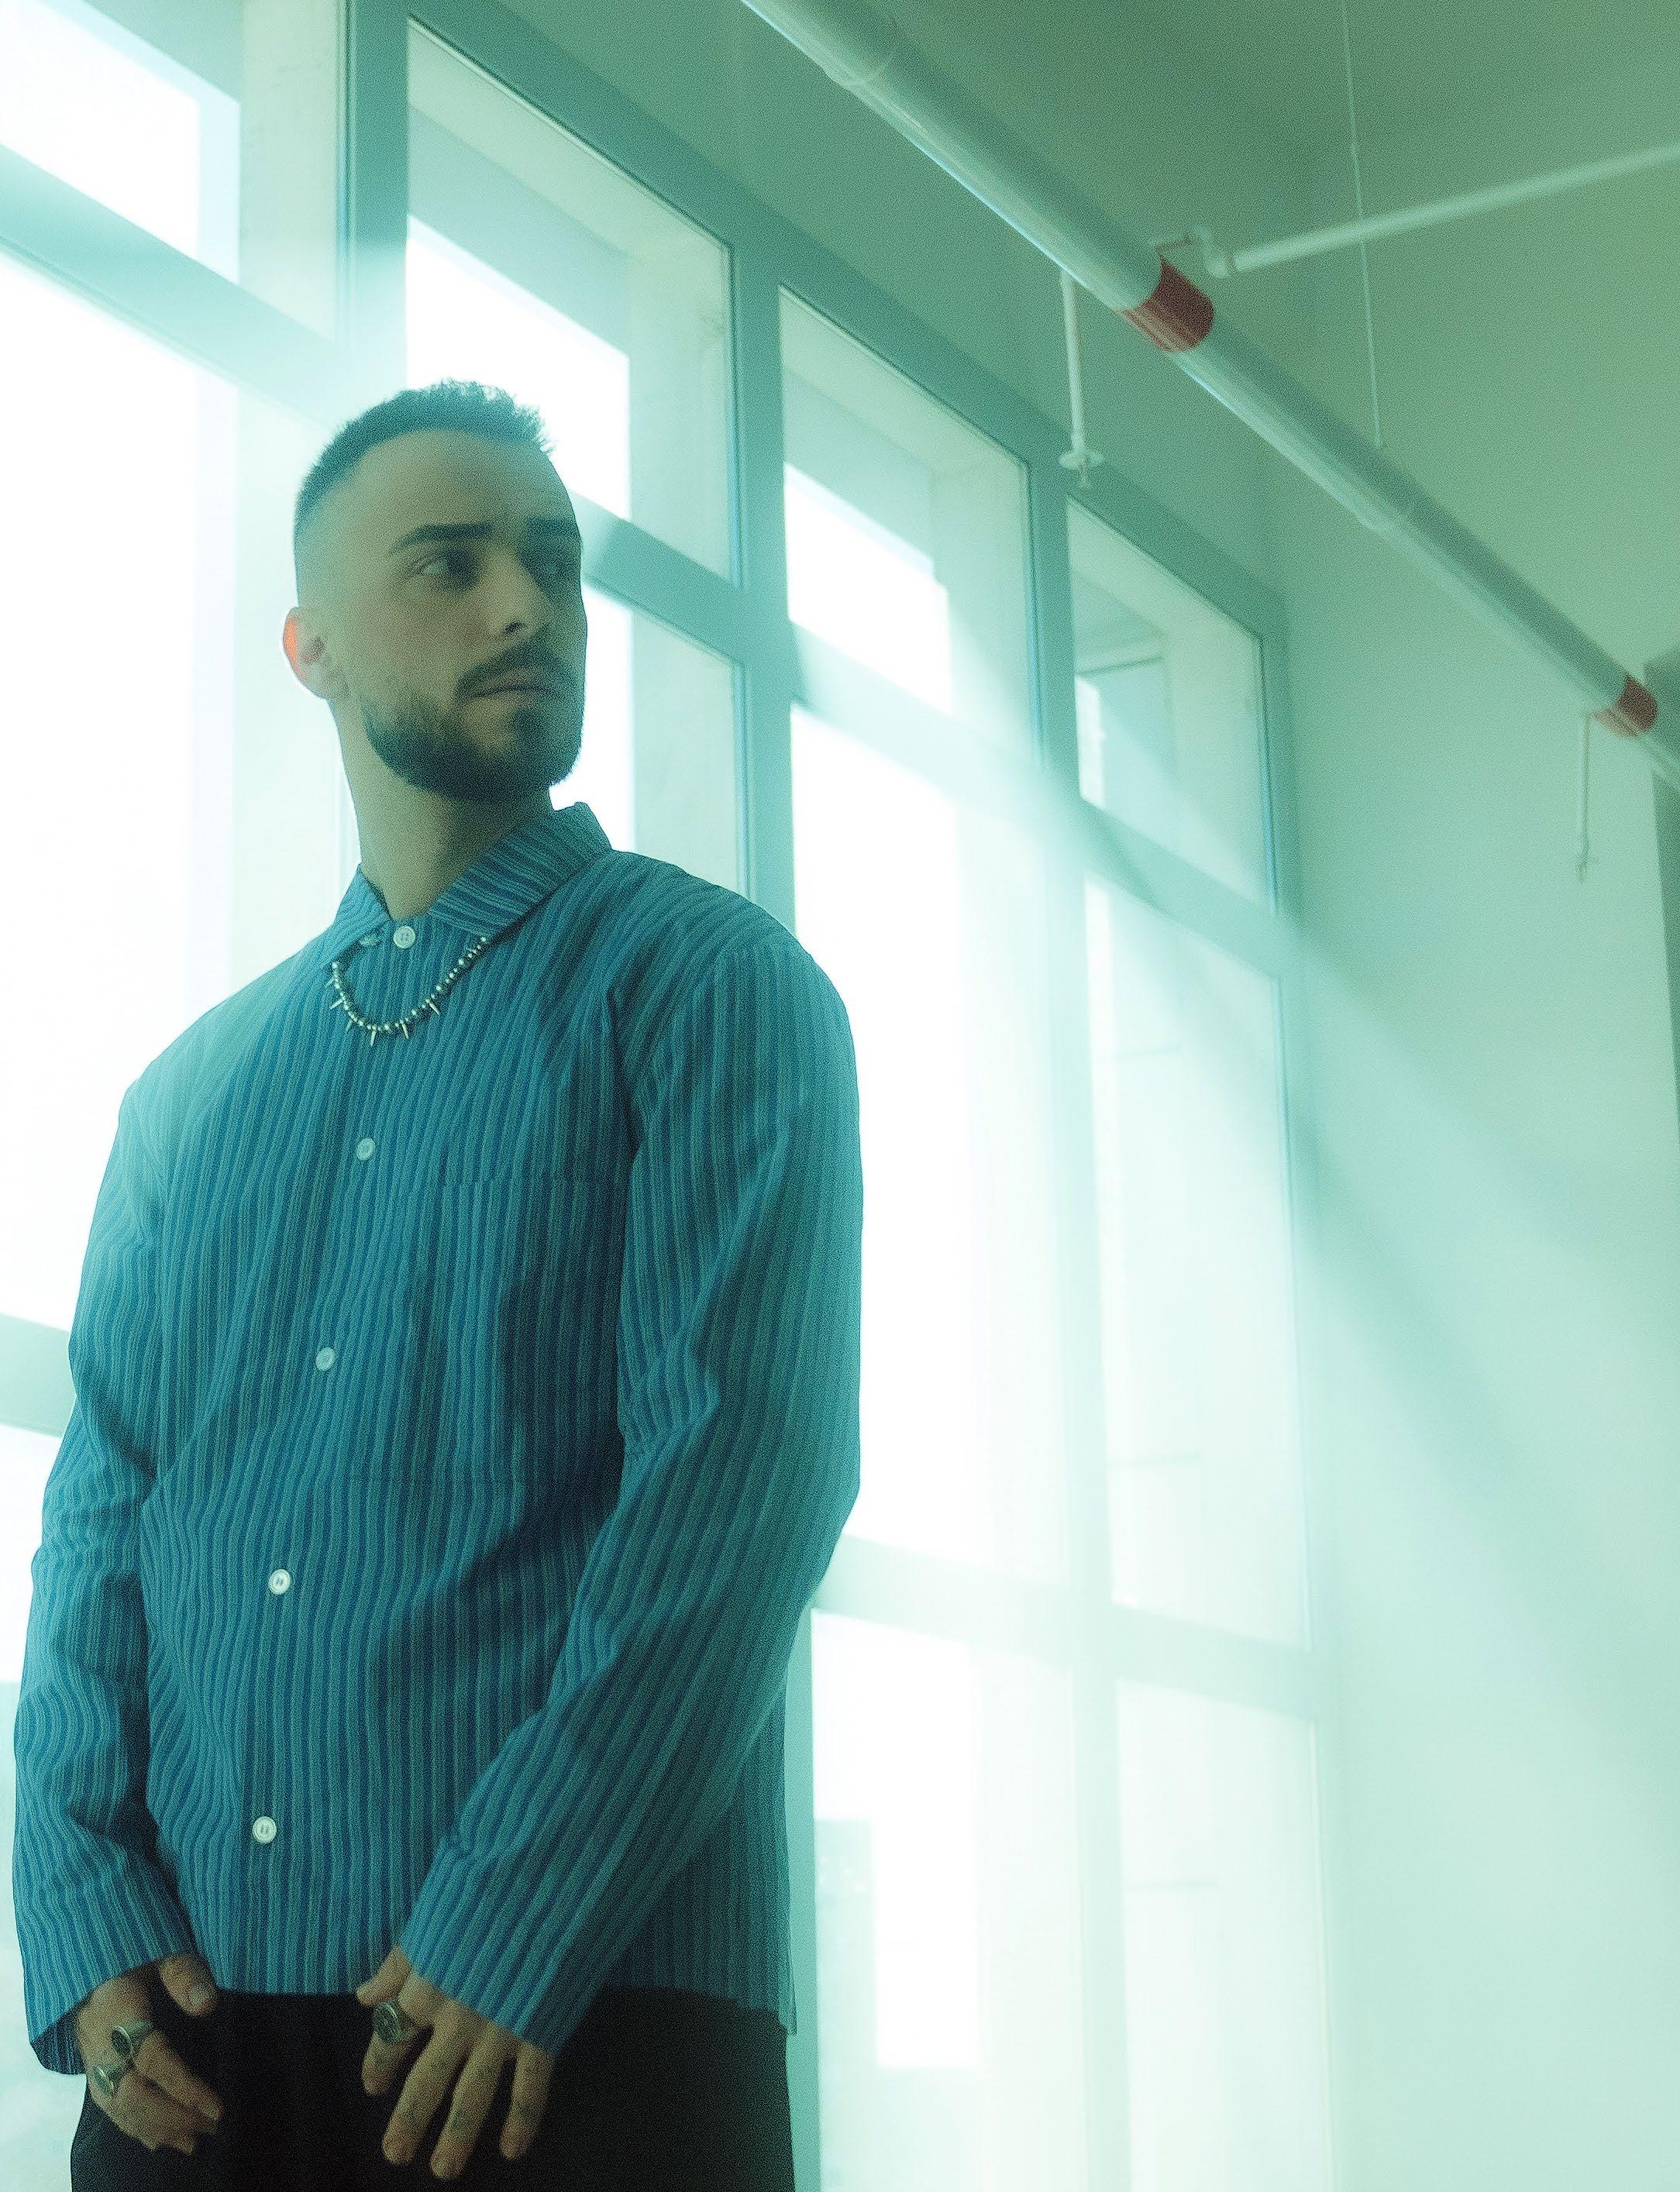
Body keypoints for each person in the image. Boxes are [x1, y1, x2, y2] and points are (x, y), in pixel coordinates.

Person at [15, 380, 864, 2189]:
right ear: (311, 646)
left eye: (551, 565)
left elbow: (734, 1479)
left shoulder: (709, 985)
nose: (524, 605)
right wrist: (77, 1904)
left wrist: (517, 1909)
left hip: (571, 2016)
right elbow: (101, 1510)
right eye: (450, 564)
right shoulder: (188, 1093)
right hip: (190, 2038)